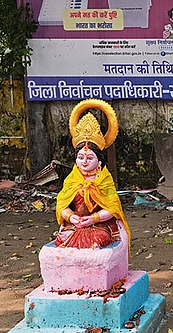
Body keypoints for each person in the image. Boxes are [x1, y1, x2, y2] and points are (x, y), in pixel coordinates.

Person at [55, 99, 130, 249]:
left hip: (99, 225)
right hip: (76, 224)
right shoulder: (72, 178)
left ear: (99, 161)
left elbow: (112, 207)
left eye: (90, 158)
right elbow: (62, 204)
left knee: (96, 242)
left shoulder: (104, 179)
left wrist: (93, 219)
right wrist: (72, 217)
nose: (84, 162)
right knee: (62, 239)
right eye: (81, 157)